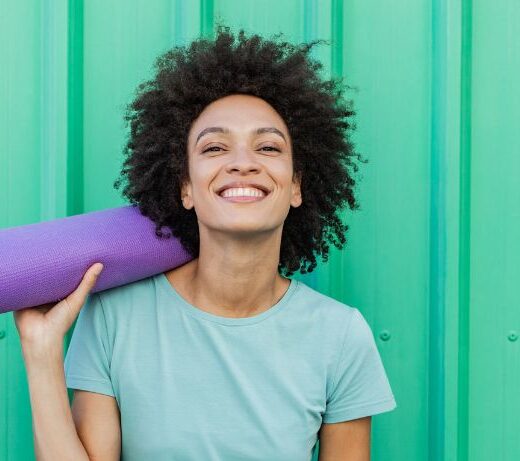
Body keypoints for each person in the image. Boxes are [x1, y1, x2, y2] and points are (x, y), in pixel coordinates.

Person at [14, 25, 397, 460]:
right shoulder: (114, 316)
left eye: (268, 148)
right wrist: (41, 351)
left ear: (296, 188)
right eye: (215, 148)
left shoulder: (340, 335)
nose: (242, 163)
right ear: (185, 188)